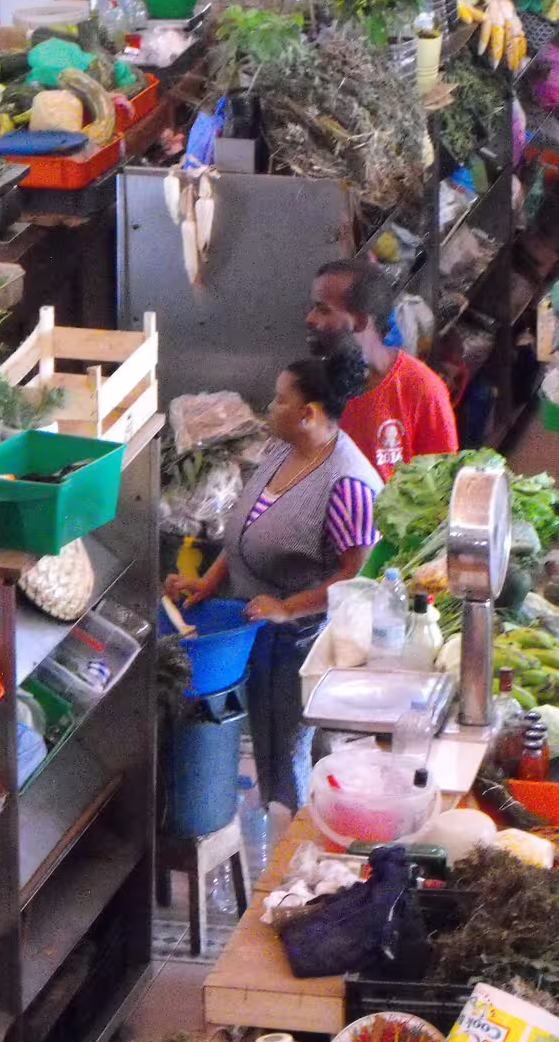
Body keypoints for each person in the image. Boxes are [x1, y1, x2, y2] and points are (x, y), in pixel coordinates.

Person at [167, 351, 382, 832]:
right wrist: (209, 581)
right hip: (260, 628)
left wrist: (287, 609)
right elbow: (249, 529)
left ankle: (301, 854)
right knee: (265, 742)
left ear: (308, 414)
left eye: (280, 400)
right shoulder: (283, 450)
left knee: (289, 752)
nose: (270, 407)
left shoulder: (347, 483)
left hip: (300, 642)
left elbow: (354, 576)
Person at [306, 258, 458, 480]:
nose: (309, 319)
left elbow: (441, 484)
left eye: (322, 310)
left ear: (359, 321)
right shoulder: (312, 385)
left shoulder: (422, 390)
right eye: (312, 308)